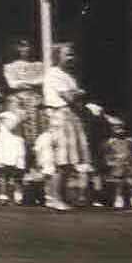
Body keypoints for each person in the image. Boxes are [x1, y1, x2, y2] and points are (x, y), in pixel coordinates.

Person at [42, 44, 92, 210]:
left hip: (71, 117)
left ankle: (60, 197)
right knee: (61, 160)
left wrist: (77, 95)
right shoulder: (54, 74)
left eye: (72, 55)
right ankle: (55, 198)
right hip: (60, 117)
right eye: (67, 55)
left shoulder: (69, 76)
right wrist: (79, 93)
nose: (71, 58)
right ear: (58, 57)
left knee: (70, 161)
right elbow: (70, 97)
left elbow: (74, 98)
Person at [3, 37, 46, 148]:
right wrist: (31, 82)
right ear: (17, 48)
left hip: (35, 100)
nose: (26, 49)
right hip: (18, 100)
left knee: (38, 129)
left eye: (27, 46)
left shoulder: (39, 65)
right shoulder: (10, 66)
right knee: (19, 130)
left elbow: (42, 80)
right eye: (22, 46)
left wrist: (24, 82)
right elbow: (12, 84)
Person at [100, 116, 132, 211]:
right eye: (116, 127)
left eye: (120, 127)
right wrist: (109, 161)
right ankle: (118, 198)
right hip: (117, 164)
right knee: (119, 182)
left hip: (130, 164)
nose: (119, 130)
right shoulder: (110, 142)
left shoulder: (130, 141)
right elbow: (106, 154)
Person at [0, 108, 28, 205]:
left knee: (19, 173)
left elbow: (22, 131)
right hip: (6, 148)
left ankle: (18, 195)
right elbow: (11, 126)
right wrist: (20, 117)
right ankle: (3, 195)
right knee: (4, 173)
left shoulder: (21, 114)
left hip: (18, 146)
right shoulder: (5, 115)